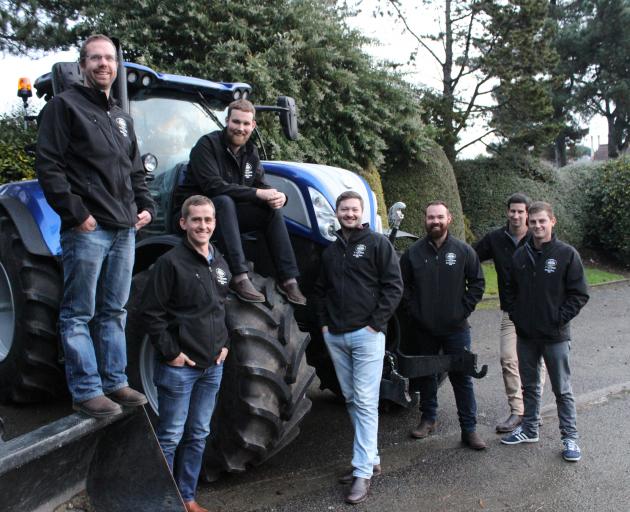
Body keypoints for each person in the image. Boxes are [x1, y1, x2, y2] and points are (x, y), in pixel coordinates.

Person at [35, 34, 154, 418]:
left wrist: (146, 205)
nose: (104, 64)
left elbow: (135, 169)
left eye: (109, 58)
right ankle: (86, 389)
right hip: (89, 229)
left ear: (116, 65)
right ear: (83, 64)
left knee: (114, 311)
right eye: (96, 58)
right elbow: (49, 166)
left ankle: (115, 381)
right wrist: (76, 213)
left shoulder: (121, 117)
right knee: (78, 313)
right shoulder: (64, 107)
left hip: (124, 230)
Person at [140, 195, 229, 512]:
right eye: (196, 220)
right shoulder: (170, 263)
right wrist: (172, 354)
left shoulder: (219, 261)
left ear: (215, 223)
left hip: (212, 368)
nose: (202, 225)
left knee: (198, 434)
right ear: (183, 223)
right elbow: (150, 313)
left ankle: (187, 498)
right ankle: (159, 504)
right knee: (170, 436)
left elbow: (221, 307)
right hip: (180, 370)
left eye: (208, 220)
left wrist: (226, 343)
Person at [314, 191, 403, 505]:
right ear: (337, 213)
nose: (349, 214)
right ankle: (372, 457)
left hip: (367, 336)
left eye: (353, 209)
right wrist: (325, 325)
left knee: (365, 400)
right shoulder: (331, 251)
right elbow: (321, 290)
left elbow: (394, 287)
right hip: (336, 336)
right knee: (352, 398)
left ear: (362, 213)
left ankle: (362, 471)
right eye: (344, 209)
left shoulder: (378, 244)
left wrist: (375, 324)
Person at [173, 99, 306, 305]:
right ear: (227, 121)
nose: (240, 128)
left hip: (227, 217)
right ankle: (238, 276)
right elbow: (213, 186)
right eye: (236, 122)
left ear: (253, 125)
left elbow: (261, 185)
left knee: (270, 211)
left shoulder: (250, 152)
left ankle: (288, 278)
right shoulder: (207, 146)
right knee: (223, 201)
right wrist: (257, 193)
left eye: (246, 124)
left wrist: (279, 197)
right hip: (194, 217)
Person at [501, 201, 588, 462]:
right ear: (528, 223)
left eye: (542, 221)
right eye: (533, 221)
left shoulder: (566, 254)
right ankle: (529, 429)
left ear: (553, 222)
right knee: (529, 386)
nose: (537, 226)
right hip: (527, 336)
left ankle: (570, 437)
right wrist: (518, 317)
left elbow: (579, 294)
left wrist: (557, 319)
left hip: (555, 336)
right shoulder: (519, 256)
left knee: (562, 389)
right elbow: (509, 291)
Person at [400, 201, 486, 450]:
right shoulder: (413, 253)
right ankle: (428, 418)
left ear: (449, 219)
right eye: (430, 217)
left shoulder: (463, 251)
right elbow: (404, 287)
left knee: (462, 378)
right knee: (427, 374)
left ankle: (469, 429)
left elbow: (478, 283)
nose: (435, 221)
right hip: (424, 328)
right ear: (425, 220)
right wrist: (415, 313)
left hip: (456, 329)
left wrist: (462, 311)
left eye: (440, 217)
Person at [474, 193, 546, 433]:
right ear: (507, 212)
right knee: (508, 359)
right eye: (512, 211)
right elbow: (470, 257)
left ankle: (533, 411)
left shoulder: (538, 237)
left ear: (527, 213)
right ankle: (518, 411)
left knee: (536, 362)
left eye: (521, 211)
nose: (516, 215)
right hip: (511, 312)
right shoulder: (496, 239)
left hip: (539, 313)